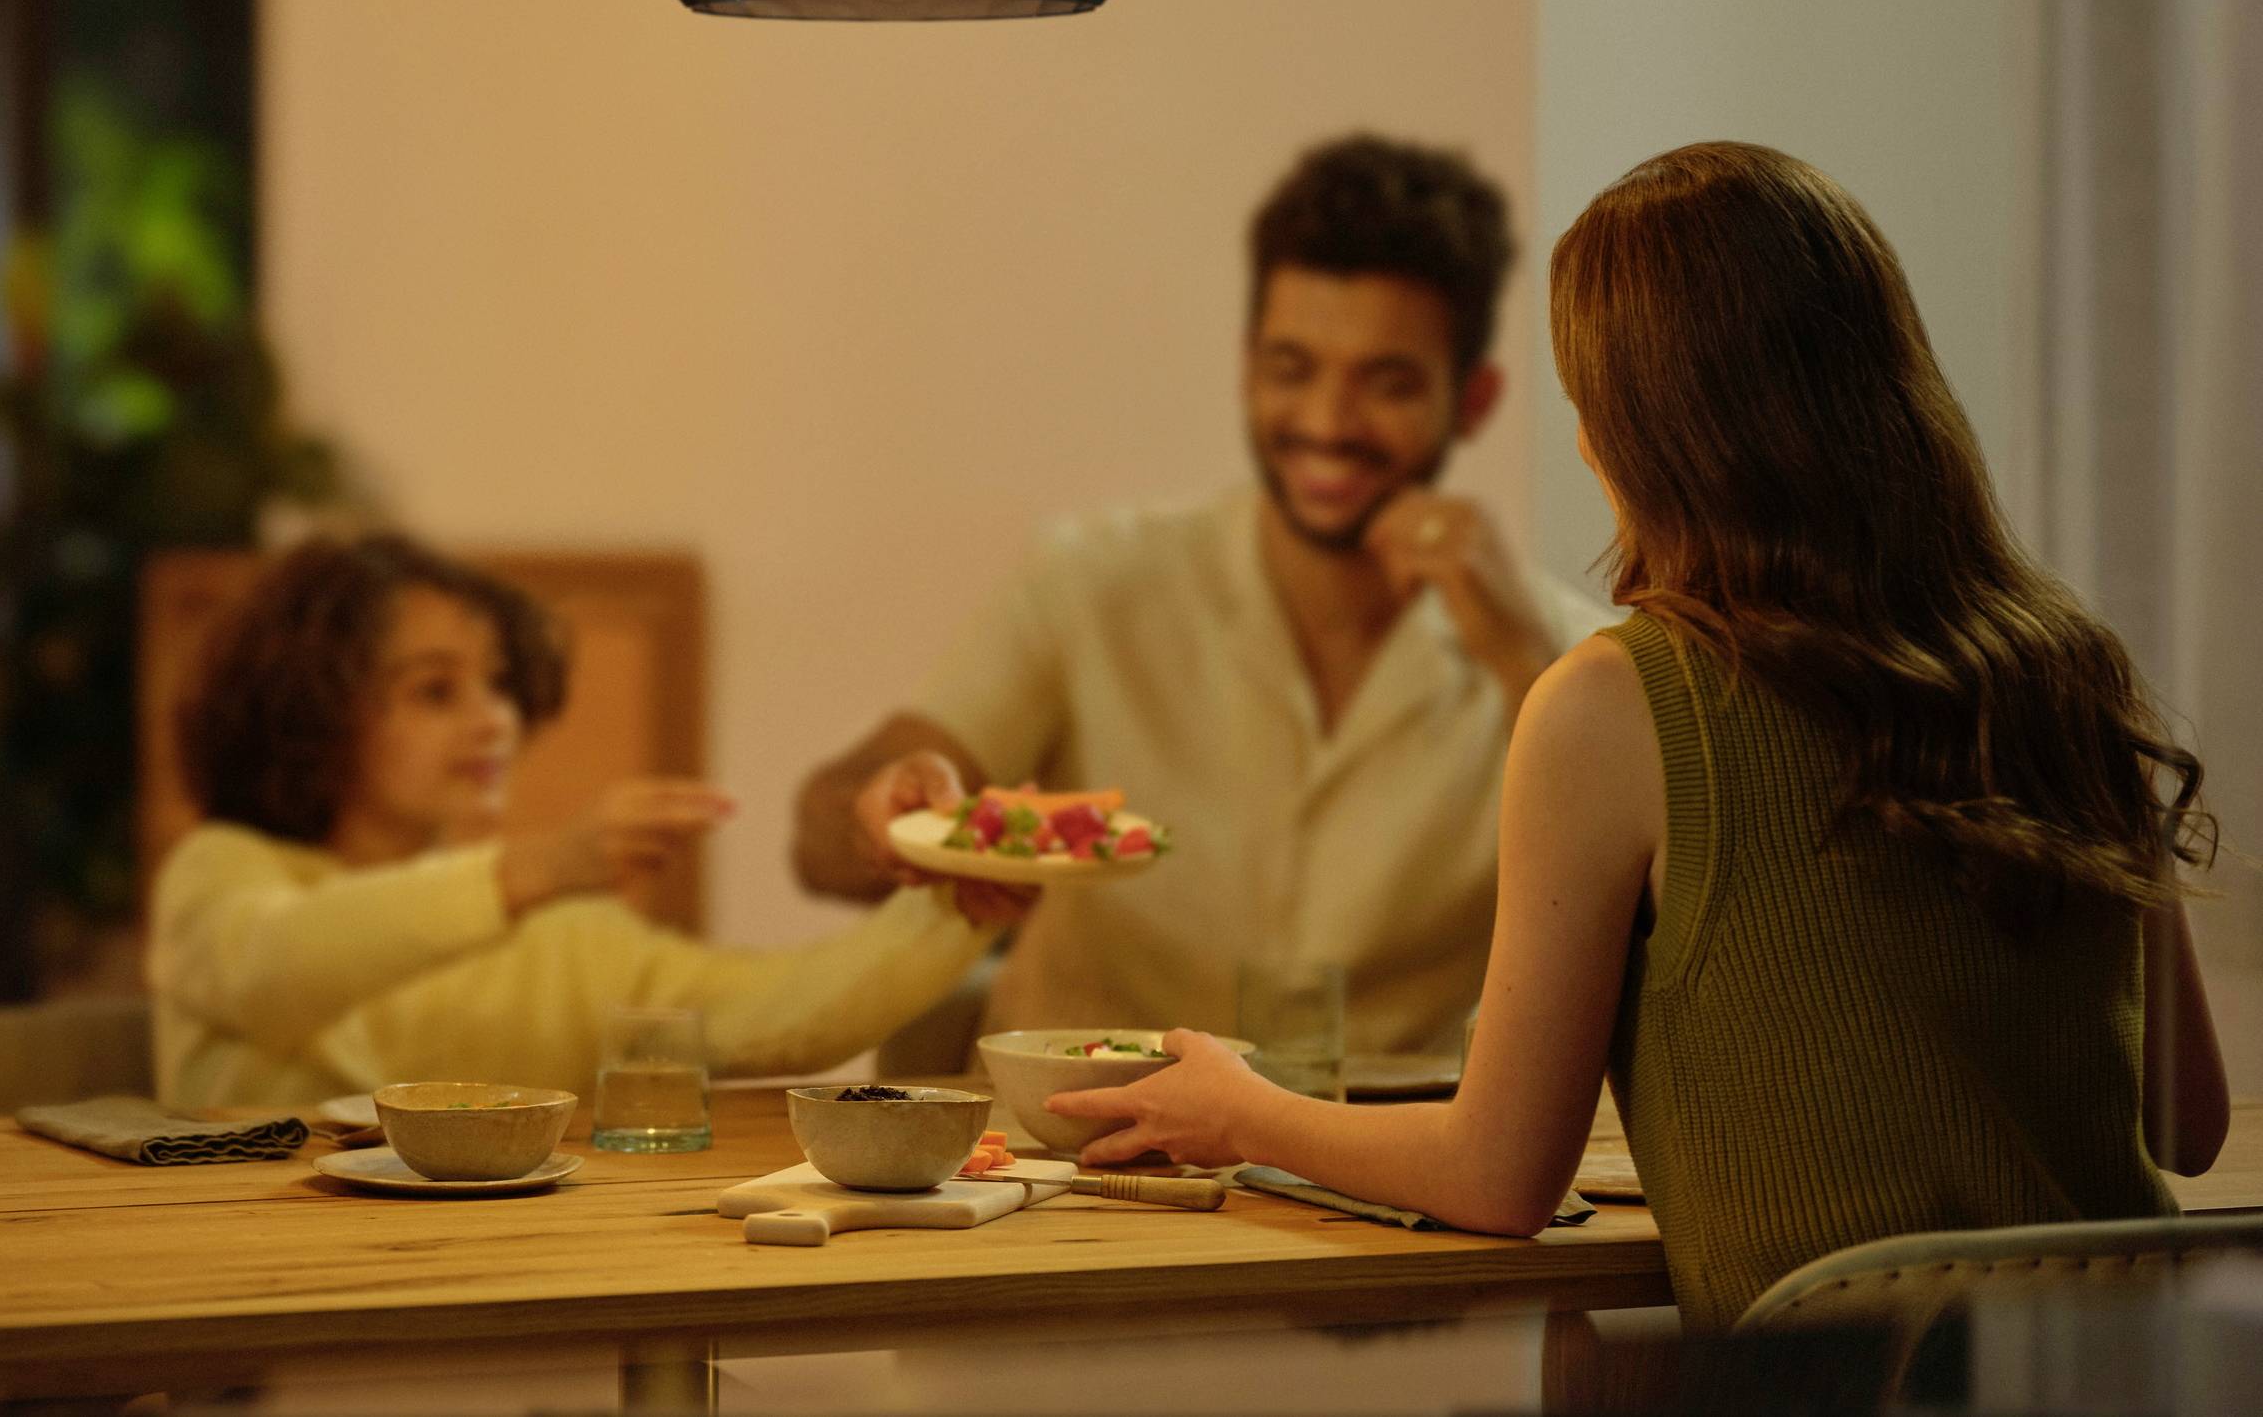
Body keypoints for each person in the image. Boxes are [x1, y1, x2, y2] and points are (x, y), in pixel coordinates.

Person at [1052, 142, 2231, 1331]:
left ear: (1637, 431)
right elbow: (2191, 1124)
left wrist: (1237, 1107)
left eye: (1588, 406)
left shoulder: (1616, 706)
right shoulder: (2070, 666)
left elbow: (1497, 1175)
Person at [791, 135, 1611, 1049]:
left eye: (1386, 383)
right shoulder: (1092, 582)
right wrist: (881, 815)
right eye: (1292, 370)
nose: (1327, 425)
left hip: (1392, 1165)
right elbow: (822, 833)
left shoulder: (1564, 660)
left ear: (1475, 399)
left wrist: (1527, 660)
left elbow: (1686, 918)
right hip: (1082, 1148)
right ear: (1246, 367)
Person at [149, 531, 1004, 1112]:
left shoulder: (552, 932)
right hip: (260, 1333)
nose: (494, 721)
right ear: (310, 713)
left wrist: (963, 885)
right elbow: (273, 967)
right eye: (435, 691)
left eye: (498, 684)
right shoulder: (220, 871)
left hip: (484, 1322)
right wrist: (536, 870)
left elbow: (779, 1015)